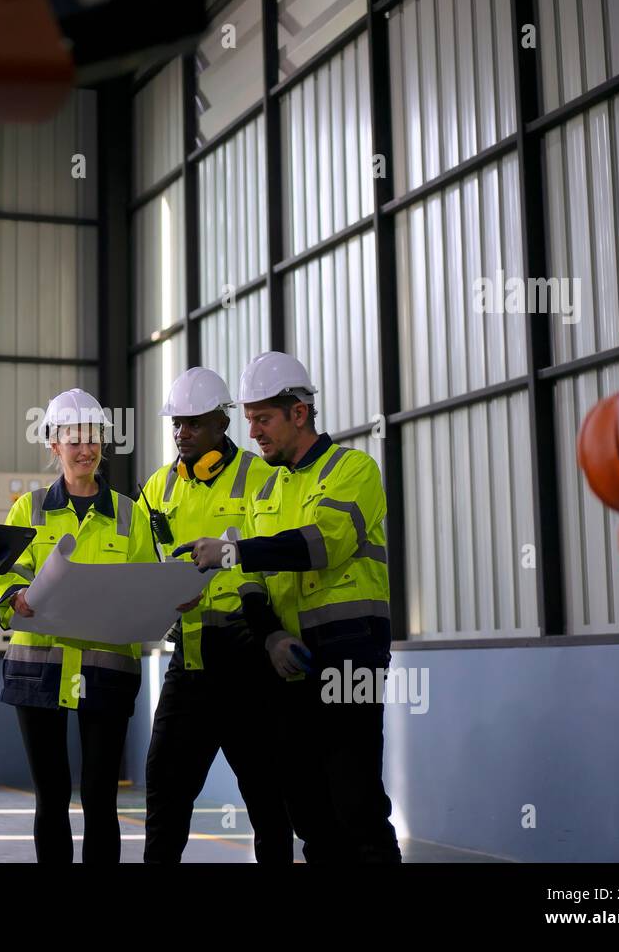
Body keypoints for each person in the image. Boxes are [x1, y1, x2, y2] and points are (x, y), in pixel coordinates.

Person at [174, 351, 401, 863]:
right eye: (249, 418)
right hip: (286, 662)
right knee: (306, 808)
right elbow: (252, 580)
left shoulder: (353, 470)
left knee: (356, 801)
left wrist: (231, 550)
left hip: (350, 659)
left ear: (299, 413)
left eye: (263, 418)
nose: (252, 431)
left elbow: (322, 546)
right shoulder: (269, 487)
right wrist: (271, 634)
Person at [0, 388, 163, 863]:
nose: (85, 449)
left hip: (106, 670)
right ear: (54, 443)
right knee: (51, 794)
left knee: (99, 797)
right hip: (38, 670)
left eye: (93, 438)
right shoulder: (27, 511)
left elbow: (147, 582)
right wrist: (17, 596)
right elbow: (6, 575)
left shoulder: (131, 514)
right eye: (74, 439)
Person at [140, 367, 293, 864]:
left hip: (249, 657)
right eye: (177, 424)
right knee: (165, 790)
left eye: (194, 424)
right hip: (189, 661)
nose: (182, 433)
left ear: (221, 424)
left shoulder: (260, 476)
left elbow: (274, 562)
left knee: (269, 800)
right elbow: (146, 561)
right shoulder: (158, 487)